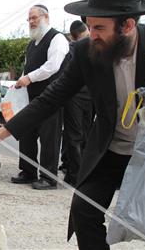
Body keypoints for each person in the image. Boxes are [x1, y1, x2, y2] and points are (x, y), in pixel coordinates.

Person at [0, 0, 145, 249]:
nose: (91, 35)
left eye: (99, 27)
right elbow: (52, 97)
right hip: (110, 149)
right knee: (83, 210)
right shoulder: (88, 50)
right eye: (89, 26)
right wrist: (2, 132)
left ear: (127, 25)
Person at [11, 4, 69, 190]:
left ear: (46, 17)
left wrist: (29, 78)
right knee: (26, 133)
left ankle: (49, 177)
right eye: (29, 19)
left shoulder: (57, 38)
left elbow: (53, 66)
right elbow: (27, 67)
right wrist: (21, 79)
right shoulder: (32, 43)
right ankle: (27, 171)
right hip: (30, 97)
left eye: (34, 18)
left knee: (49, 138)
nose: (31, 22)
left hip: (51, 96)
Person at [60, 20, 93, 186]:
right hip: (82, 96)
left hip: (79, 97)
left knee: (77, 136)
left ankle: (75, 173)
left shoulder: (71, 49)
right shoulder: (79, 49)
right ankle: (77, 175)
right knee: (79, 136)